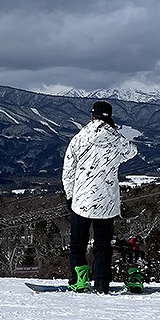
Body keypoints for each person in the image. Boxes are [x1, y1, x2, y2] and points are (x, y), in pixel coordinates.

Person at [62, 100, 138, 293]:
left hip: (81, 200)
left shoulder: (79, 138)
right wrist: (113, 135)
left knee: (77, 243)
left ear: (92, 116)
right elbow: (132, 151)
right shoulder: (115, 139)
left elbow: (68, 171)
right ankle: (101, 282)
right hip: (106, 202)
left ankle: (79, 281)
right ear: (110, 118)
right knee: (102, 245)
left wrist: (70, 195)